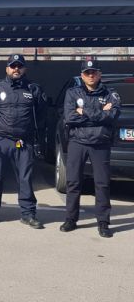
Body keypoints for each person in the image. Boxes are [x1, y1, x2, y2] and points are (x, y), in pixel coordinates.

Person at [0, 54, 46, 229]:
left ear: (24, 69)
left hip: (24, 141)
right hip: (2, 139)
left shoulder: (33, 89)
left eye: (19, 66)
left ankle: (28, 214)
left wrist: (36, 136)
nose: (16, 69)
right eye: (12, 66)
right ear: (7, 69)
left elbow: (41, 115)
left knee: (25, 178)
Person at [60, 59, 120, 238]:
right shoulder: (72, 93)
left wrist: (84, 111)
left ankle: (103, 222)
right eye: (87, 72)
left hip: (100, 143)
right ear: (82, 75)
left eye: (94, 72)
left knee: (102, 184)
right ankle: (71, 219)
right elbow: (70, 117)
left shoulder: (111, 94)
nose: (91, 75)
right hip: (78, 142)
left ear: (99, 74)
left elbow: (112, 116)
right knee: (73, 182)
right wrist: (101, 113)